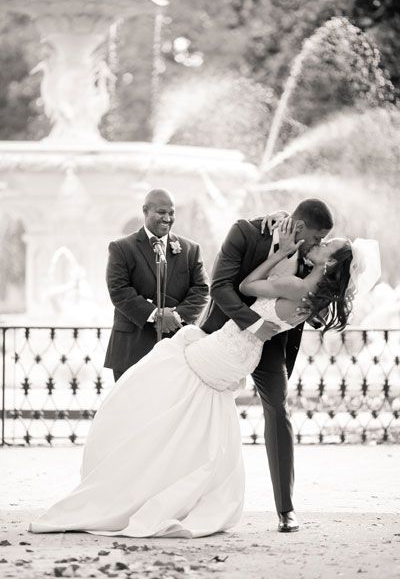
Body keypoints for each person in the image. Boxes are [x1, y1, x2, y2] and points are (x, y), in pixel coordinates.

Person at [29, 220, 366, 539]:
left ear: (332, 264)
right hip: (242, 358)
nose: (319, 245)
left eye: (326, 246)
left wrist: (280, 253)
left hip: (225, 349)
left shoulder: (295, 286)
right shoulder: (314, 297)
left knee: (154, 390)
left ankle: (137, 473)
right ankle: (173, 480)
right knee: (189, 414)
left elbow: (246, 286)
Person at [200, 198, 334, 532]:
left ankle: (285, 510)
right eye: (318, 239)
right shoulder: (245, 232)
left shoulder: (311, 259)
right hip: (225, 333)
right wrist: (252, 324)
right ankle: (194, 496)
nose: (320, 246)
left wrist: (318, 303)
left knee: (278, 408)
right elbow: (220, 287)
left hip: (271, 343)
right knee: (200, 411)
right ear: (300, 228)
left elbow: (312, 312)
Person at [104, 188, 209, 381]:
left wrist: (175, 316)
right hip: (131, 347)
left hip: (175, 347)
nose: (167, 218)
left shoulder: (190, 249)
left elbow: (202, 290)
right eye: (162, 212)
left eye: (171, 213)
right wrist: (156, 315)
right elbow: (119, 291)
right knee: (131, 408)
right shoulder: (121, 248)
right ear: (145, 211)